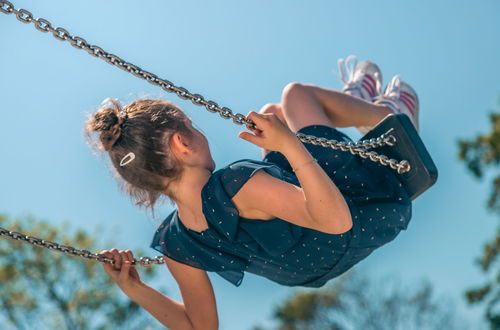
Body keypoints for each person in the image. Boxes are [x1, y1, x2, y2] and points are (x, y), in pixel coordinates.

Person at [86, 56, 418, 329]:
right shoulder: (236, 184)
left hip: (313, 266)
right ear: (182, 144)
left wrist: (134, 288)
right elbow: (336, 220)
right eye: (192, 126)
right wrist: (288, 145)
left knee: (273, 113)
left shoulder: (177, 242)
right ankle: (389, 114)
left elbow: (200, 327)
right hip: (367, 207)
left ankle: (353, 102)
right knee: (297, 96)